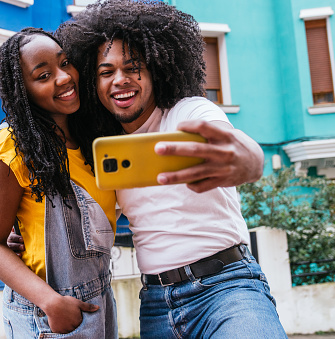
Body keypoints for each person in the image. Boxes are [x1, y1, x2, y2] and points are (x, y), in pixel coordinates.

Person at [52, 1, 288, 338]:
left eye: (133, 67)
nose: (120, 80)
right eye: (106, 72)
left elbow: (241, 149)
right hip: (155, 304)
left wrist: (249, 162)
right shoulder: (109, 153)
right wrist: (30, 231)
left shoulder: (188, 114)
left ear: (156, 70)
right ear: (94, 84)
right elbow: (93, 219)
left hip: (227, 290)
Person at [0, 27, 118, 338]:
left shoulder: (89, 141)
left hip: (100, 301)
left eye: (65, 63)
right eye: (43, 76)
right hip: (48, 313)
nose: (64, 77)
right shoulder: (13, 146)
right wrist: (50, 302)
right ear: (23, 90)